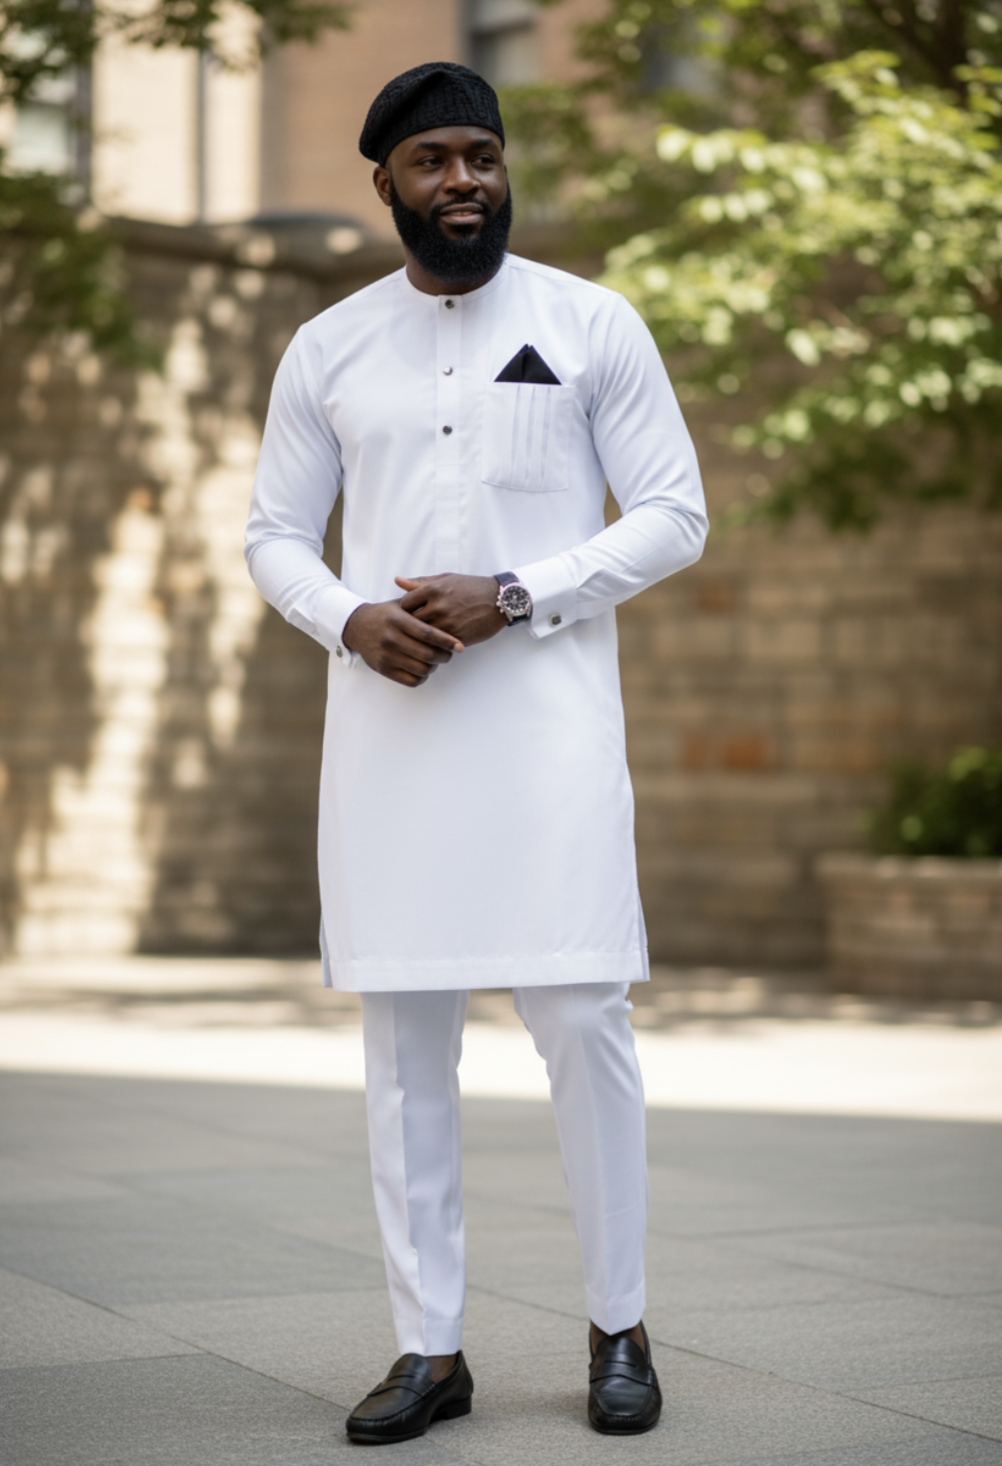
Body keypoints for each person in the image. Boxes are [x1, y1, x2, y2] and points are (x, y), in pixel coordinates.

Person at [245, 60, 707, 1444]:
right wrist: (346, 617)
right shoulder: (328, 346)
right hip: (390, 738)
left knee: (584, 1026)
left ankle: (619, 1324)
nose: (464, 181)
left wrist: (517, 592)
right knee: (404, 1055)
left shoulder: (589, 321)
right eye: (434, 160)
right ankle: (428, 1349)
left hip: (550, 736)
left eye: (482, 156)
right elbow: (275, 534)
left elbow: (674, 513)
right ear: (384, 183)